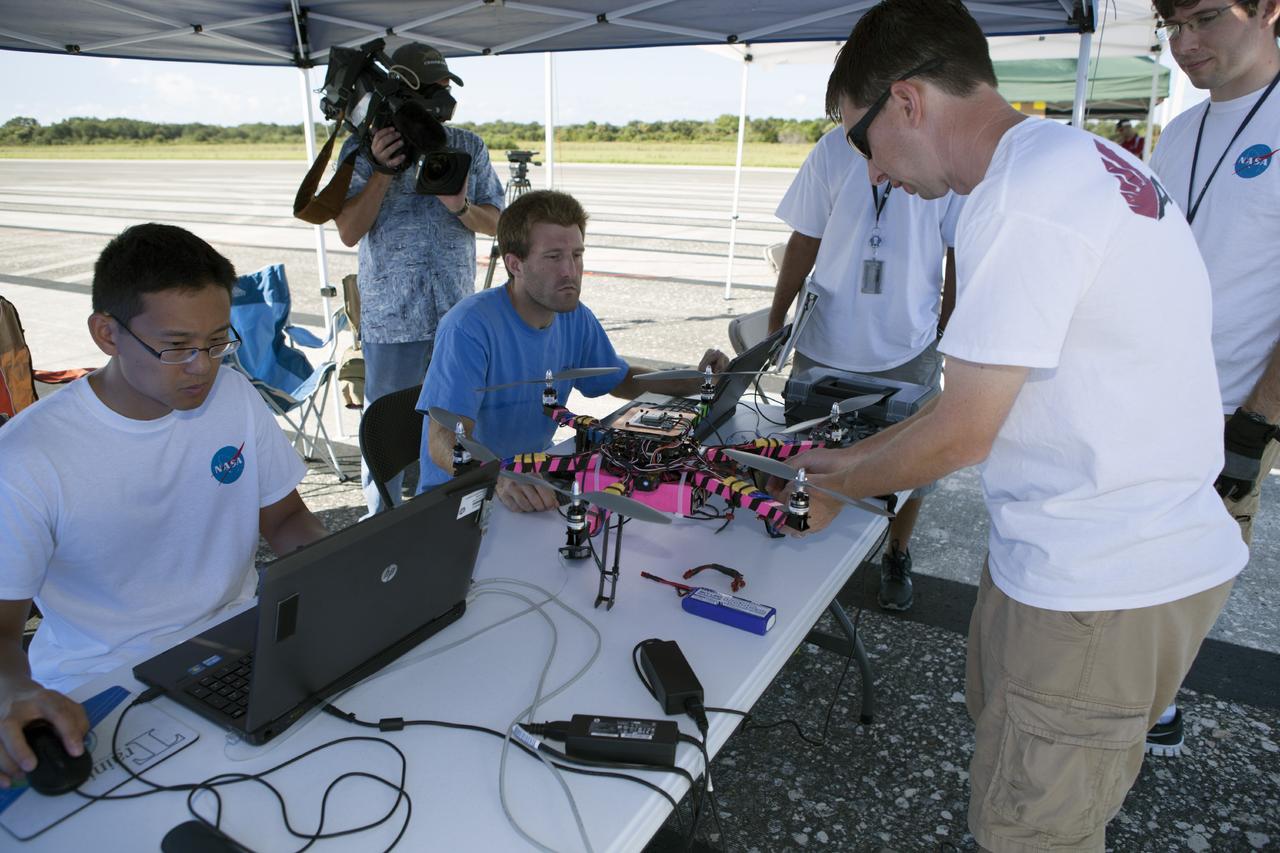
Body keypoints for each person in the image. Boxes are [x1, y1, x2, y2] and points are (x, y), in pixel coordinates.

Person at [780, 2, 1247, 850]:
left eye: (860, 139)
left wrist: (833, 482)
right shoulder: (1071, 159)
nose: (873, 174)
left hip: (1101, 573)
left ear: (909, 100)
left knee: (1031, 830)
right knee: (1011, 760)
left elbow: (963, 431)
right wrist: (847, 456)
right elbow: (977, 401)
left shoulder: (1020, 197)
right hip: (1097, 551)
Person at [0, 223, 329, 788]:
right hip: (102, 684)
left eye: (217, 342)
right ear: (107, 332)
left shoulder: (234, 397)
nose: (202, 367)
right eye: (176, 347)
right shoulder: (28, 457)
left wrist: (345, 576)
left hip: (239, 643)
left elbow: (286, 518)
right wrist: (19, 693)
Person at [1145, 0, 1280, 758]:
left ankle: (1160, 697)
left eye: (1202, 18)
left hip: (1231, 410)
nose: (1184, 43)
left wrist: (1258, 421)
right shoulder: (1182, 130)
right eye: (1171, 23)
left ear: (1267, 9)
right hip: (1149, 397)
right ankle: (1142, 690)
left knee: (1199, 569)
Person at [417, 189, 728, 513]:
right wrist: (499, 478)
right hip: (464, 498)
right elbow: (443, 439)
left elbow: (621, 380)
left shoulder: (574, 315)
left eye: (576, 255)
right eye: (553, 257)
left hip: (533, 484)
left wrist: (696, 381)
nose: (570, 271)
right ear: (515, 264)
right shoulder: (469, 326)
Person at [768, 126, 963, 612]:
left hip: (909, 343)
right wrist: (778, 319)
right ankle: (799, 547)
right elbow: (805, 236)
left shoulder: (942, 147)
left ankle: (896, 553)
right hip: (824, 342)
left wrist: (950, 328)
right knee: (805, 453)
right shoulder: (834, 148)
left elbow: (959, 247)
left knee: (914, 465)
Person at [334, 41, 505, 516]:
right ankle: (382, 524)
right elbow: (348, 231)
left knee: (457, 428)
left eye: (449, 86)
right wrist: (383, 172)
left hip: (456, 316)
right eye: (438, 86)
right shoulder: (361, 151)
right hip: (393, 320)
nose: (446, 95)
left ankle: (456, 514)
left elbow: (500, 224)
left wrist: (460, 206)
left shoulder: (467, 146)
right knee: (385, 436)